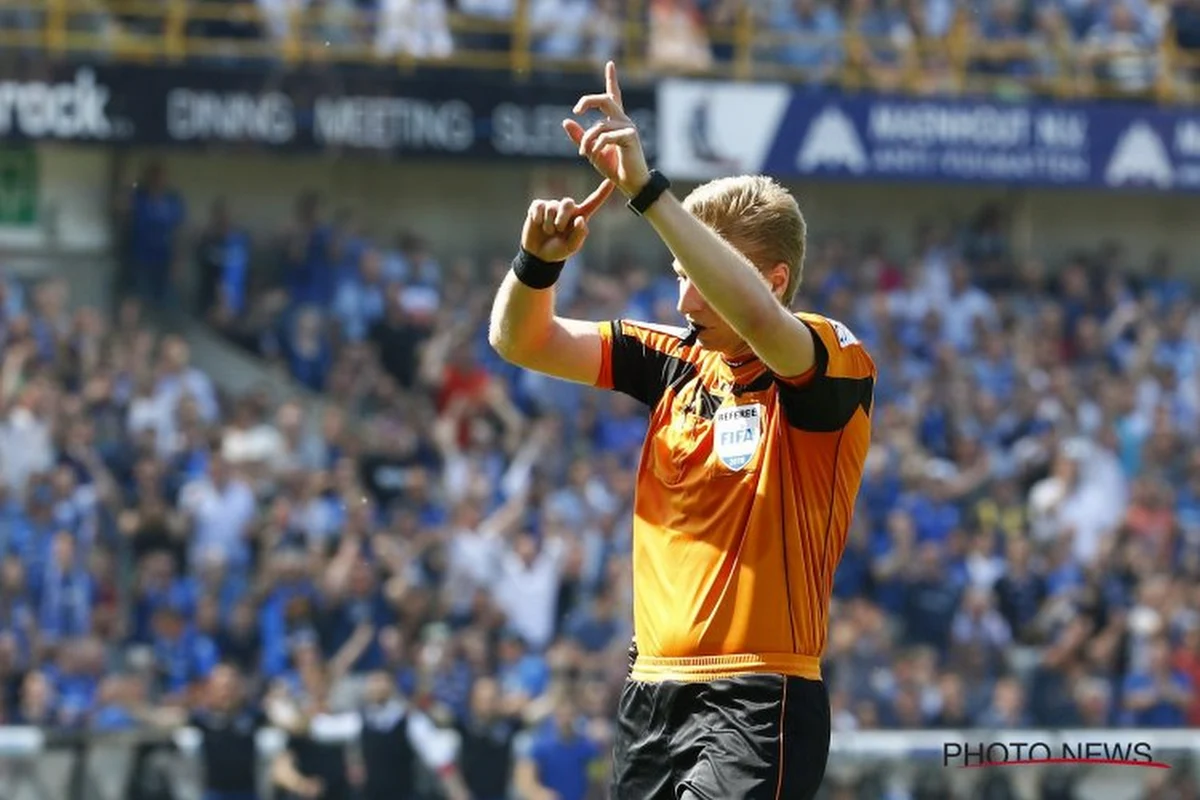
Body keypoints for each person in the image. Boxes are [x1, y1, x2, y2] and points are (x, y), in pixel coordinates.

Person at [488, 61, 876, 799]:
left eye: (699, 272)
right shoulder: (671, 361)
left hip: (759, 697)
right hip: (649, 697)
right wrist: (537, 265)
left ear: (772, 280)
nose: (682, 296)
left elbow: (762, 327)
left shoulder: (831, 361)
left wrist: (646, 190)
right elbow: (521, 342)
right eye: (675, 271)